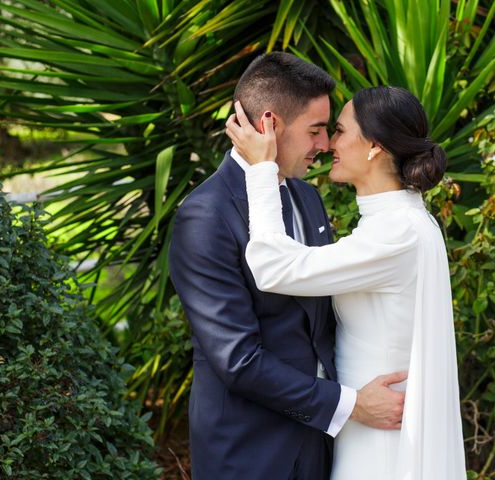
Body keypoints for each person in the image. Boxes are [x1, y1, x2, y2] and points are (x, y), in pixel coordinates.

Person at [168, 52, 407, 480]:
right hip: (247, 451)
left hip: (319, 446)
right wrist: (348, 404)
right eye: (315, 130)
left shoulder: (305, 197)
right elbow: (237, 359)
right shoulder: (204, 216)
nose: (325, 145)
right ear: (269, 126)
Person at [225, 85, 467, 479]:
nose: (327, 143)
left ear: (374, 146)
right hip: (367, 427)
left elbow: (272, 268)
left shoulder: (397, 232)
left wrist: (261, 170)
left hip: (383, 445)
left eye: (338, 130)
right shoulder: (398, 222)